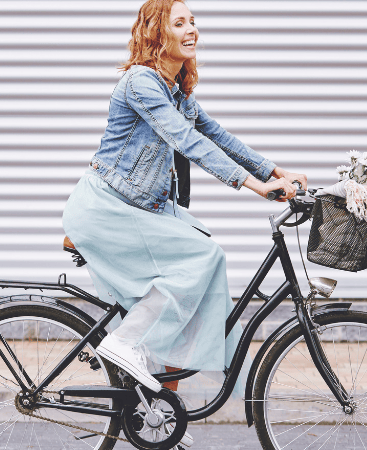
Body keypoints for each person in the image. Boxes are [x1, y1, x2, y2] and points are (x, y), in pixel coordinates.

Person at [63, 0, 306, 402]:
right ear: (158, 33)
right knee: (203, 257)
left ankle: (160, 407)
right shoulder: (140, 83)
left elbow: (216, 136)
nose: (191, 29)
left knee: (203, 272)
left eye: (193, 22)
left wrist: (274, 171)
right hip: (108, 208)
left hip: (143, 209)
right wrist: (253, 185)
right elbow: (186, 140)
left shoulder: (176, 92)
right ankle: (127, 342)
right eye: (179, 23)